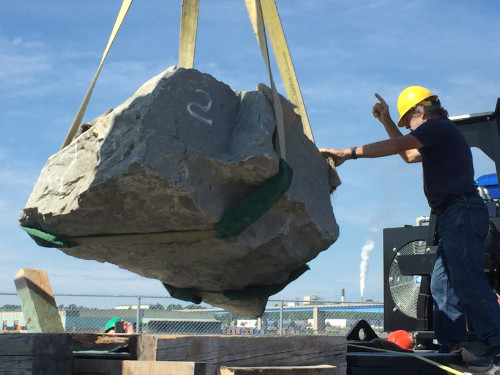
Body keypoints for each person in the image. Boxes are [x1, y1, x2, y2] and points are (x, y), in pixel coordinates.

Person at [320, 86, 500, 353]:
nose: (409, 128)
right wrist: (387, 120)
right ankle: (453, 346)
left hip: (460, 211)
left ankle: (496, 341)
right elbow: (407, 154)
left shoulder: (437, 127)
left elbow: (397, 146)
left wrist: (347, 152)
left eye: (408, 122)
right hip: (453, 214)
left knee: (466, 279)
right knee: (443, 284)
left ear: (421, 112)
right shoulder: (437, 133)